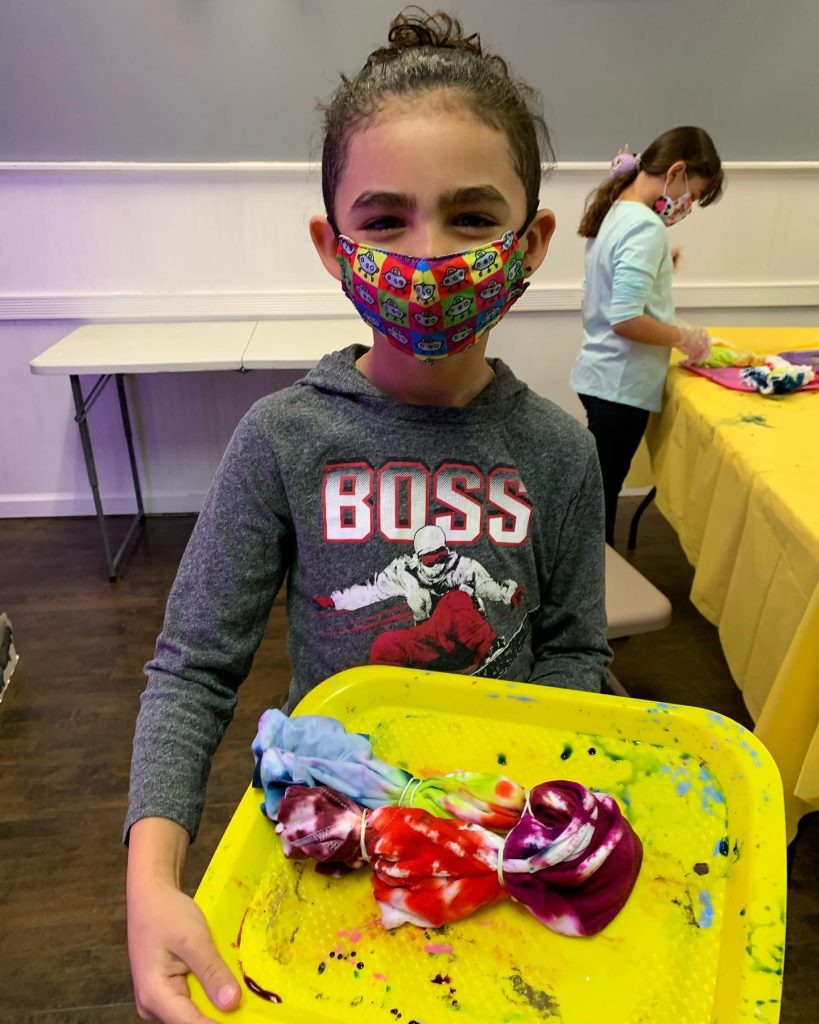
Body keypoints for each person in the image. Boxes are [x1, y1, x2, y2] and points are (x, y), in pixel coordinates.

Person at [125, 9, 612, 1023]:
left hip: (496, 850)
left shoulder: (561, 452)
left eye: (473, 218)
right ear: (333, 246)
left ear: (532, 246)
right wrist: (149, 888)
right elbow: (193, 667)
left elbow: (574, 651)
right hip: (331, 846)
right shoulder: (281, 440)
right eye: (385, 220)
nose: (429, 256)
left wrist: (514, 801)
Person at [570, 127, 724, 545]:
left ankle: (591, 574)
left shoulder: (618, 211)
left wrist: (658, 266)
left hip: (600, 374)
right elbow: (625, 318)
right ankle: (594, 582)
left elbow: (609, 290)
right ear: (676, 172)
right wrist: (683, 337)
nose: (687, 205)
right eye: (694, 194)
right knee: (601, 494)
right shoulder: (646, 227)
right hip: (621, 384)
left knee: (598, 487)